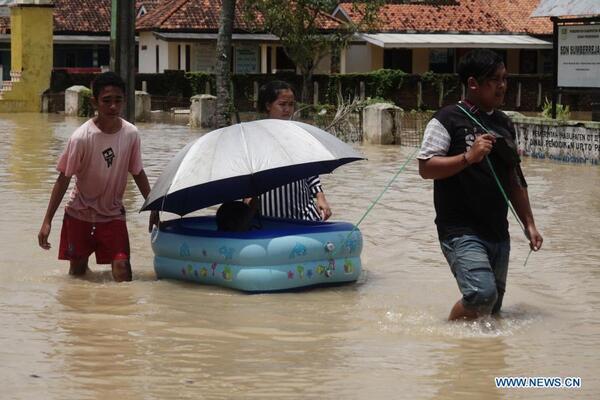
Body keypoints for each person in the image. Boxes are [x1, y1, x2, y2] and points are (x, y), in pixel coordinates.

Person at [418, 49, 543, 320]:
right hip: (460, 230)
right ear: (473, 83)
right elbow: (425, 168)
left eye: (505, 78)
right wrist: (468, 157)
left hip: (497, 231)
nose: (502, 86)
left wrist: (530, 224)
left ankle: (471, 347)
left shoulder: (504, 123)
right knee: (481, 296)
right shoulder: (447, 119)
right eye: (495, 79)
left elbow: (514, 178)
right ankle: (446, 335)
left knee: (492, 309)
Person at [37, 71, 158, 282]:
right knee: (78, 275)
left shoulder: (131, 134)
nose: (113, 106)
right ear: (95, 102)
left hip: (113, 214)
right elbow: (64, 179)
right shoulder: (81, 138)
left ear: (124, 101)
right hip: (79, 214)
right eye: (106, 101)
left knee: (122, 269)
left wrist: (153, 205)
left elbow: (137, 171)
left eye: (118, 100)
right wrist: (47, 221)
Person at [257, 80, 332, 221]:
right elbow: (248, 171)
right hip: (267, 214)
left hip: (303, 213)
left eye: (291, 104)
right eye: (282, 104)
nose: (287, 109)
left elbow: (310, 169)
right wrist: (248, 197)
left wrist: (320, 197)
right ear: (268, 105)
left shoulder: (299, 134)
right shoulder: (255, 135)